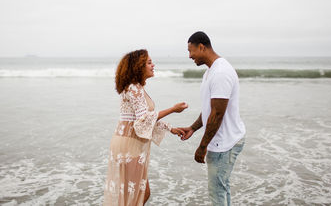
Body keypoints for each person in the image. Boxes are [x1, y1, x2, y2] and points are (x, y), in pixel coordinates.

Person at [103, 49, 187, 206]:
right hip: (129, 144)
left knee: (139, 195)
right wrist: (173, 109)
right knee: (136, 196)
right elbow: (143, 120)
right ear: (138, 66)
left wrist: (171, 128)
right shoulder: (134, 89)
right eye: (149, 62)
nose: (153, 65)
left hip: (131, 142)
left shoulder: (137, 88)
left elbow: (143, 119)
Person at [178, 31, 246, 206]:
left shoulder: (221, 73)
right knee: (221, 189)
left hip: (225, 143)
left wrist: (202, 147)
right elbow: (210, 109)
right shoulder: (210, 71)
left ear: (201, 47)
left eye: (190, 50)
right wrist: (193, 128)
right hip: (222, 140)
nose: (189, 56)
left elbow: (217, 114)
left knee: (217, 193)